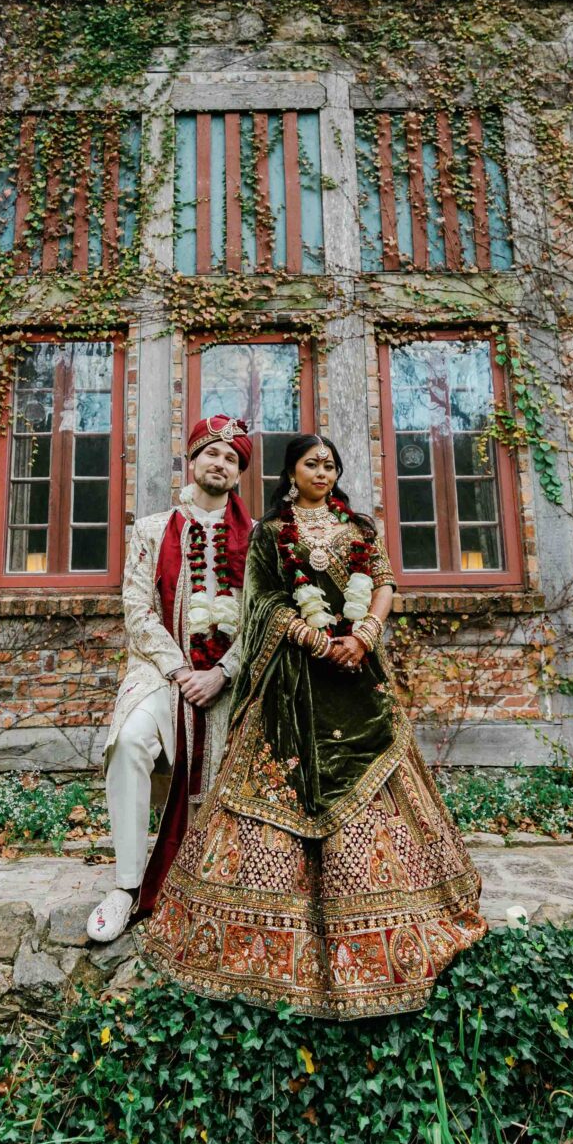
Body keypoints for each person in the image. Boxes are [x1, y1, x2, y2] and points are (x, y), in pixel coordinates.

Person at [141, 433, 488, 1019]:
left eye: (331, 464)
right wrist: (313, 638)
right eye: (311, 464)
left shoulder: (361, 529)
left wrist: (364, 636)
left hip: (357, 675)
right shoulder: (271, 535)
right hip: (291, 685)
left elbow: (384, 583)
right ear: (291, 472)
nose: (323, 472)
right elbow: (265, 604)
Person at [85, 415, 254, 944]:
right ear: (193, 459)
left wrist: (223, 672)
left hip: (235, 677)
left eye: (232, 458)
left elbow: (266, 615)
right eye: (212, 454)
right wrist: (181, 670)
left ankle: (220, 876)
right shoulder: (152, 529)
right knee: (130, 741)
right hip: (162, 672)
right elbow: (136, 608)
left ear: (239, 472)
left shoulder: (259, 539)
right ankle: (127, 884)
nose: (220, 464)